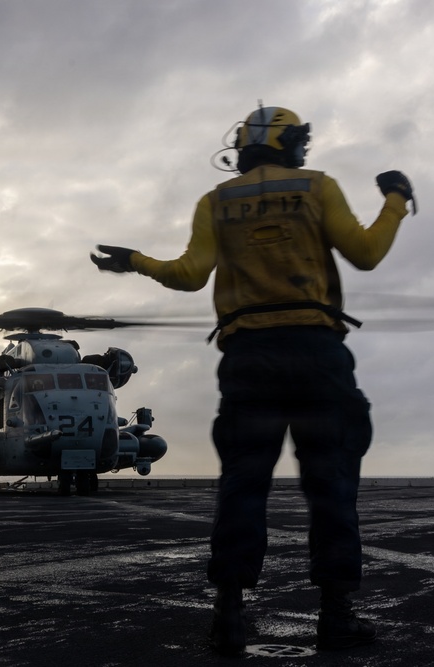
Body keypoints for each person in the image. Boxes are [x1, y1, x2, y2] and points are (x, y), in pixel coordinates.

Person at [90, 104, 415, 656]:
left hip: (249, 358)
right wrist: (395, 199)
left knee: (244, 485)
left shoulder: (217, 202)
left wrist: (137, 261)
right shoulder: (317, 186)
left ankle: (229, 618)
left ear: (244, 146)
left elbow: (189, 275)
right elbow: (365, 254)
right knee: (332, 486)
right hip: (317, 355)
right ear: (289, 145)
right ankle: (336, 616)